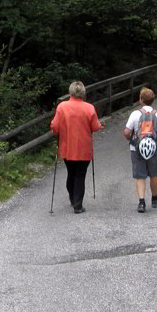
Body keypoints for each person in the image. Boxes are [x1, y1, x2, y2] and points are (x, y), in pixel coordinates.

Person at [50, 81, 103, 213]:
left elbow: (55, 128)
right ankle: (78, 205)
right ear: (83, 92)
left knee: (71, 173)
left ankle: (73, 199)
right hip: (84, 149)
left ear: (70, 92)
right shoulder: (89, 108)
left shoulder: (62, 107)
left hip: (67, 148)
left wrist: (55, 129)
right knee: (80, 175)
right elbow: (96, 127)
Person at [123, 87, 157, 213]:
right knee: (154, 174)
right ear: (153, 100)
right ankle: (155, 198)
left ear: (141, 100)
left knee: (140, 176)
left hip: (137, 149)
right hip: (155, 150)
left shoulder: (135, 114)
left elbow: (127, 132)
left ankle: (141, 203)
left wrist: (131, 139)